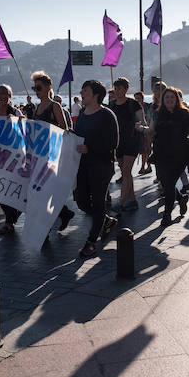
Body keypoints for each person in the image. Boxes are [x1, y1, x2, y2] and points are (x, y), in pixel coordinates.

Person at [152, 86, 189, 226]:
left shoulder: (184, 114)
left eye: (172, 97)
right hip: (161, 153)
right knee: (165, 183)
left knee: (170, 182)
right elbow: (154, 131)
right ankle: (181, 198)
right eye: (167, 97)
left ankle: (167, 215)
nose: (170, 100)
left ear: (177, 99)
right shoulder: (159, 114)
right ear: (163, 100)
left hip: (180, 153)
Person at [74, 80, 119, 258]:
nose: (81, 92)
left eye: (85, 90)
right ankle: (105, 221)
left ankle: (92, 241)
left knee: (99, 202)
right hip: (83, 165)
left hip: (101, 165)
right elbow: (79, 136)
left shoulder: (107, 115)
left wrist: (90, 148)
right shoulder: (83, 113)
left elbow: (113, 142)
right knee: (81, 201)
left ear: (96, 95)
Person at [27, 72, 76, 229]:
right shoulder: (37, 107)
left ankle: (52, 221)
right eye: (34, 88)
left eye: (39, 87)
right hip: (39, 153)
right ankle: (63, 214)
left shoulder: (55, 106)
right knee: (41, 189)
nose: (36, 91)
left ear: (49, 87)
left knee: (44, 189)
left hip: (51, 154)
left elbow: (65, 129)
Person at [0, 85, 28, 235]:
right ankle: (11, 218)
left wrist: (18, 121)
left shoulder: (15, 112)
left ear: (10, 96)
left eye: (5, 93)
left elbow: (25, 130)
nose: (2, 96)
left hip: (13, 159)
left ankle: (9, 222)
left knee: (9, 191)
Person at [108, 77, 146, 211]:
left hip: (132, 141)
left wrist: (140, 125)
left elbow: (143, 121)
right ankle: (133, 200)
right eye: (116, 88)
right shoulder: (111, 105)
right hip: (118, 143)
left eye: (120, 88)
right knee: (126, 173)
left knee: (126, 171)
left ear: (126, 89)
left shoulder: (133, 104)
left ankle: (122, 202)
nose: (117, 91)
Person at [134, 91, 153, 175]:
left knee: (147, 150)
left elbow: (150, 118)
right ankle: (145, 166)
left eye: (138, 98)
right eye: (136, 99)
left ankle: (146, 166)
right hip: (139, 131)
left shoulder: (147, 106)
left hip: (147, 130)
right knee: (143, 150)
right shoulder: (135, 108)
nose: (137, 100)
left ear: (142, 98)